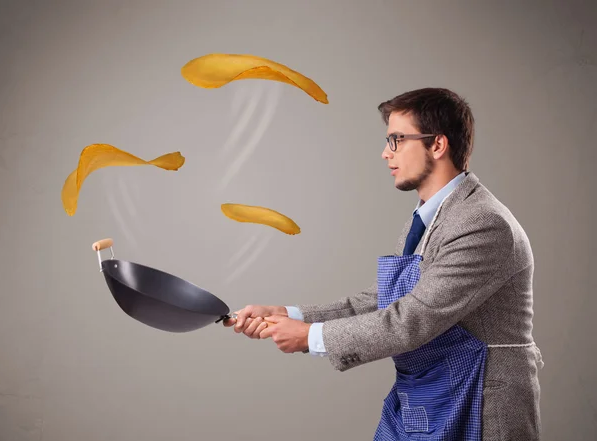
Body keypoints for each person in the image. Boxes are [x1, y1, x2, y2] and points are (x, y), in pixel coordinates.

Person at [224, 87, 543, 440]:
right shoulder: (426, 218)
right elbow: (385, 300)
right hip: (426, 398)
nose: (384, 153)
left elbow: (412, 320)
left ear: (437, 145)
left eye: (396, 140)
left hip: (478, 405)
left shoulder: (481, 223)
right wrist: (291, 314)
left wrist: (310, 337)